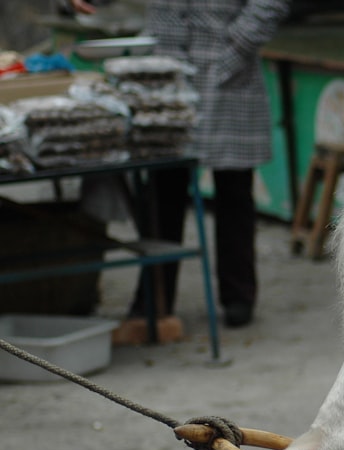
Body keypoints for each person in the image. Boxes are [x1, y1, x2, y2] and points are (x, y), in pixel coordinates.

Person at [69, 0, 291, 332]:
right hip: (163, 75)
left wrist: (237, 47)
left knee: (234, 192)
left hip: (227, 72)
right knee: (161, 191)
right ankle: (154, 299)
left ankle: (238, 296)